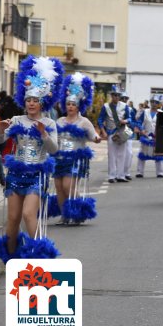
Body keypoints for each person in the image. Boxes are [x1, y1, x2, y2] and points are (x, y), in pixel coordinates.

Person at [0, 56, 63, 262]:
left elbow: (54, 150)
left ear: (42, 103)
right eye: (28, 100)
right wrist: (1, 129)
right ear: (24, 101)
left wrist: (43, 134)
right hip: (16, 174)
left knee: (28, 214)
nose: (31, 104)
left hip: (36, 175)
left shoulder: (49, 122)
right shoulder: (16, 120)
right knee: (13, 219)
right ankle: (11, 258)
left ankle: (40, 257)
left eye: (35, 101)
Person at [53, 72, 101, 225]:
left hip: (75, 159)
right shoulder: (59, 121)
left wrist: (96, 138)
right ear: (64, 105)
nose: (71, 107)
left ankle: (78, 212)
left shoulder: (84, 121)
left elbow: (93, 135)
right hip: (59, 158)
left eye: (73, 104)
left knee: (69, 186)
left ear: (78, 106)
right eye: (68, 104)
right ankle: (65, 215)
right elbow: (53, 138)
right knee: (60, 188)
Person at [97, 86, 133, 183]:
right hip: (111, 132)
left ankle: (120, 175)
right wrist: (103, 131)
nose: (116, 97)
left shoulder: (124, 106)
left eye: (118, 95)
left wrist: (124, 121)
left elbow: (130, 118)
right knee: (112, 155)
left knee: (122, 154)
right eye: (114, 95)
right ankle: (111, 176)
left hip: (121, 132)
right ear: (111, 96)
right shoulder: (106, 106)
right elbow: (100, 119)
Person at [134, 94, 163, 178]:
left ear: (158, 103)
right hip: (146, 135)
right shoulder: (145, 111)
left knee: (158, 154)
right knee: (142, 153)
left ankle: (160, 172)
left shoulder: (161, 113)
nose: (154, 104)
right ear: (150, 102)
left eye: (156, 102)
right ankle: (139, 172)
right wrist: (141, 130)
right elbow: (139, 122)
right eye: (152, 102)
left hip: (157, 137)